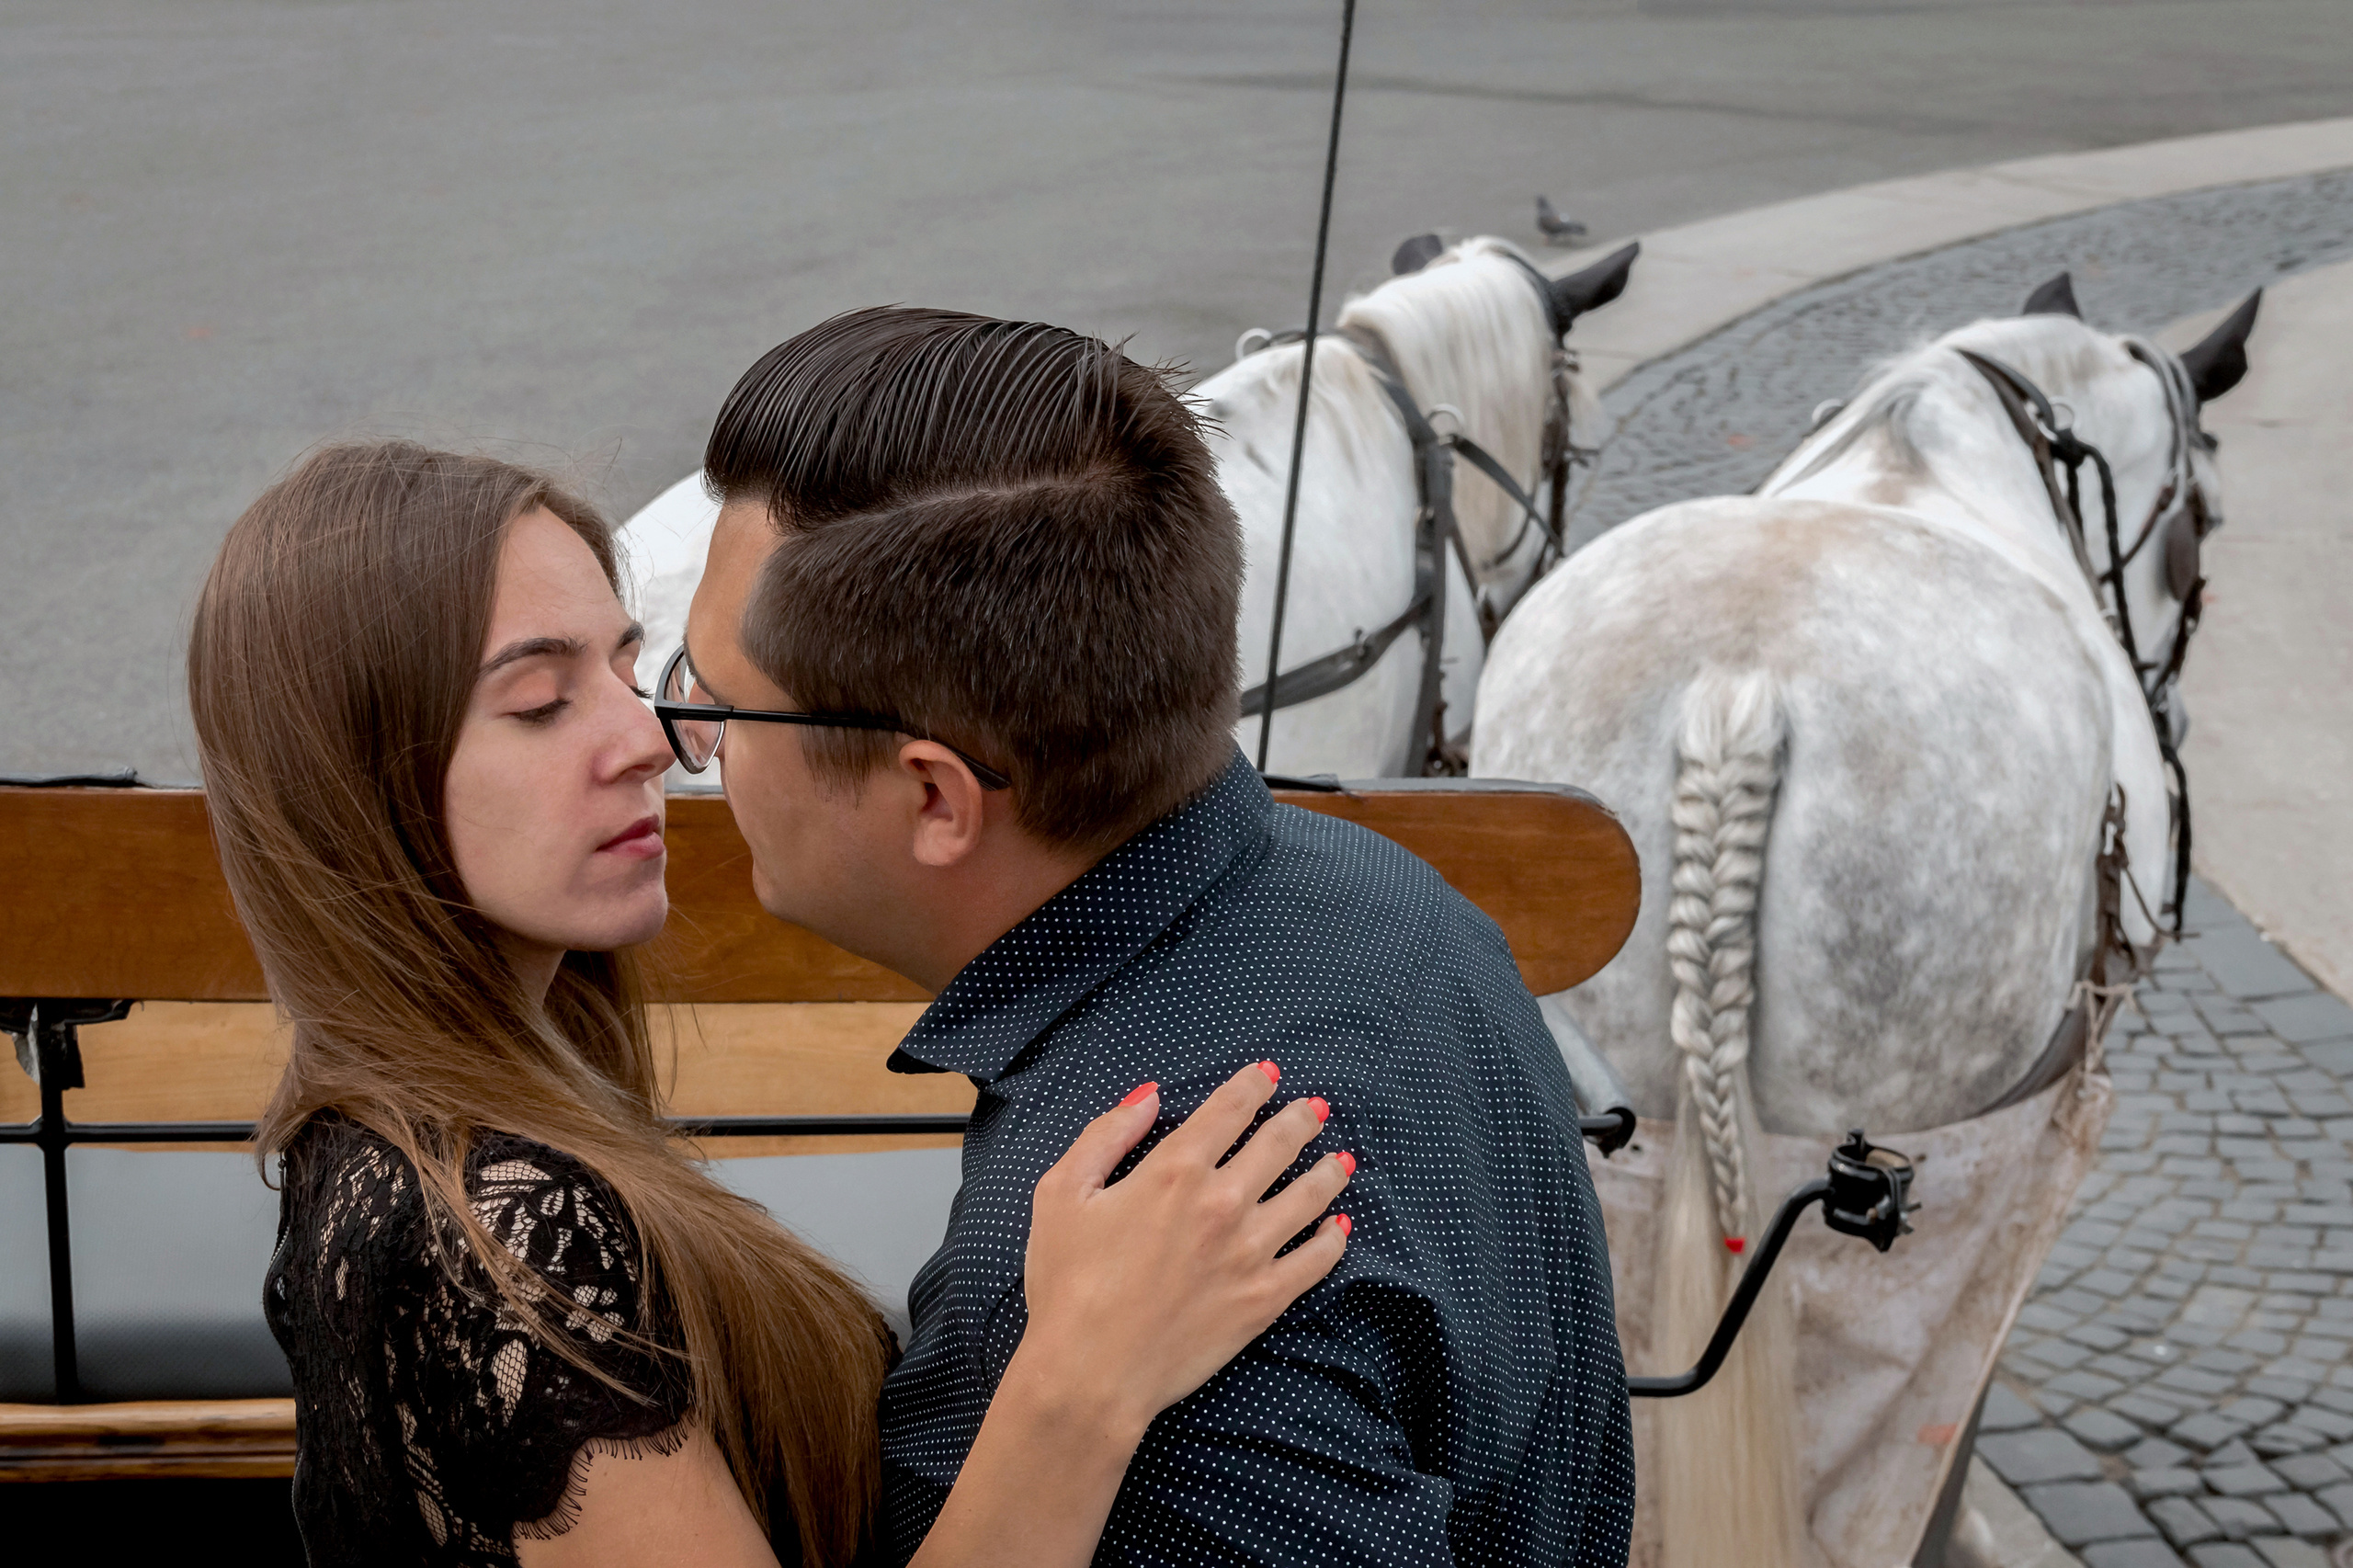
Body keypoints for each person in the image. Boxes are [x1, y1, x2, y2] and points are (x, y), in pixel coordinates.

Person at [187, 442, 1354, 1568]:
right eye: (541, 702)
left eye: (625, 668)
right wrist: (1079, 1384)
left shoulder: (420, 1126)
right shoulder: (495, 1230)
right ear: (356, 785)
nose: (645, 738)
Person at [676, 307, 1636, 1568]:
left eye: (719, 706)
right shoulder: (1387, 899)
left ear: (933, 798)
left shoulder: (1157, 1281)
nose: (684, 741)